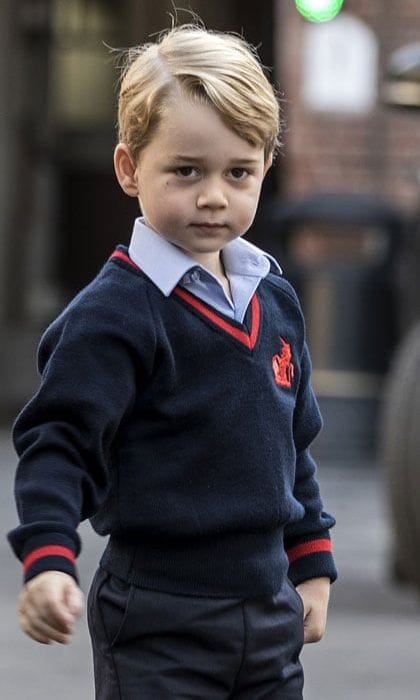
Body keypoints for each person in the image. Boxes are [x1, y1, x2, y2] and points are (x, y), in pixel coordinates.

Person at [8, 23, 337, 699]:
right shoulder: (115, 313)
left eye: (237, 172)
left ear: (266, 167)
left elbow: (292, 448)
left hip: (269, 608)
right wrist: (48, 558)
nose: (214, 195)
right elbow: (58, 445)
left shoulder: (273, 298)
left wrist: (311, 564)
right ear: (130, 168)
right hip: (159, 614)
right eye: (186, 171)